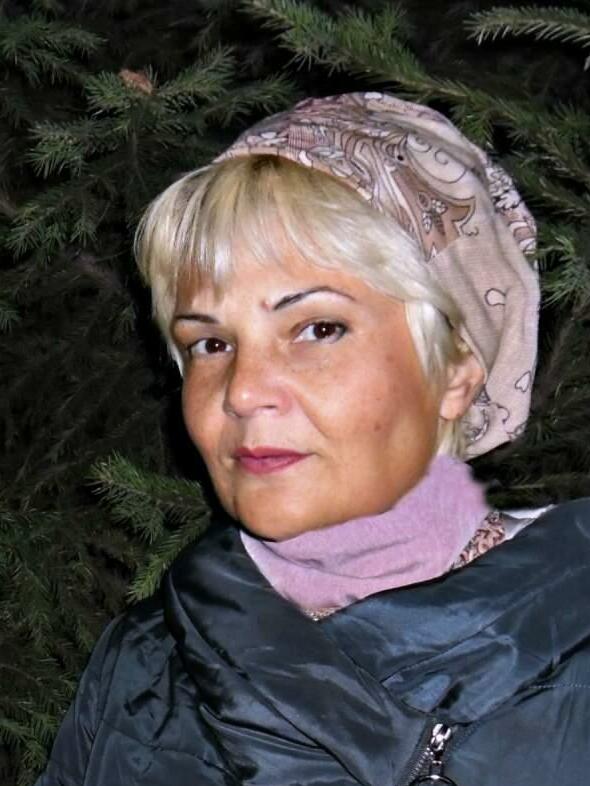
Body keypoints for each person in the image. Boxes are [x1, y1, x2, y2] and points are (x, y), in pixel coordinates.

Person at [35, 93, 590, 786]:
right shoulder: (143, 666)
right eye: (210, 343)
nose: (242, 391)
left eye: (318, 329)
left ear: (454, 371)